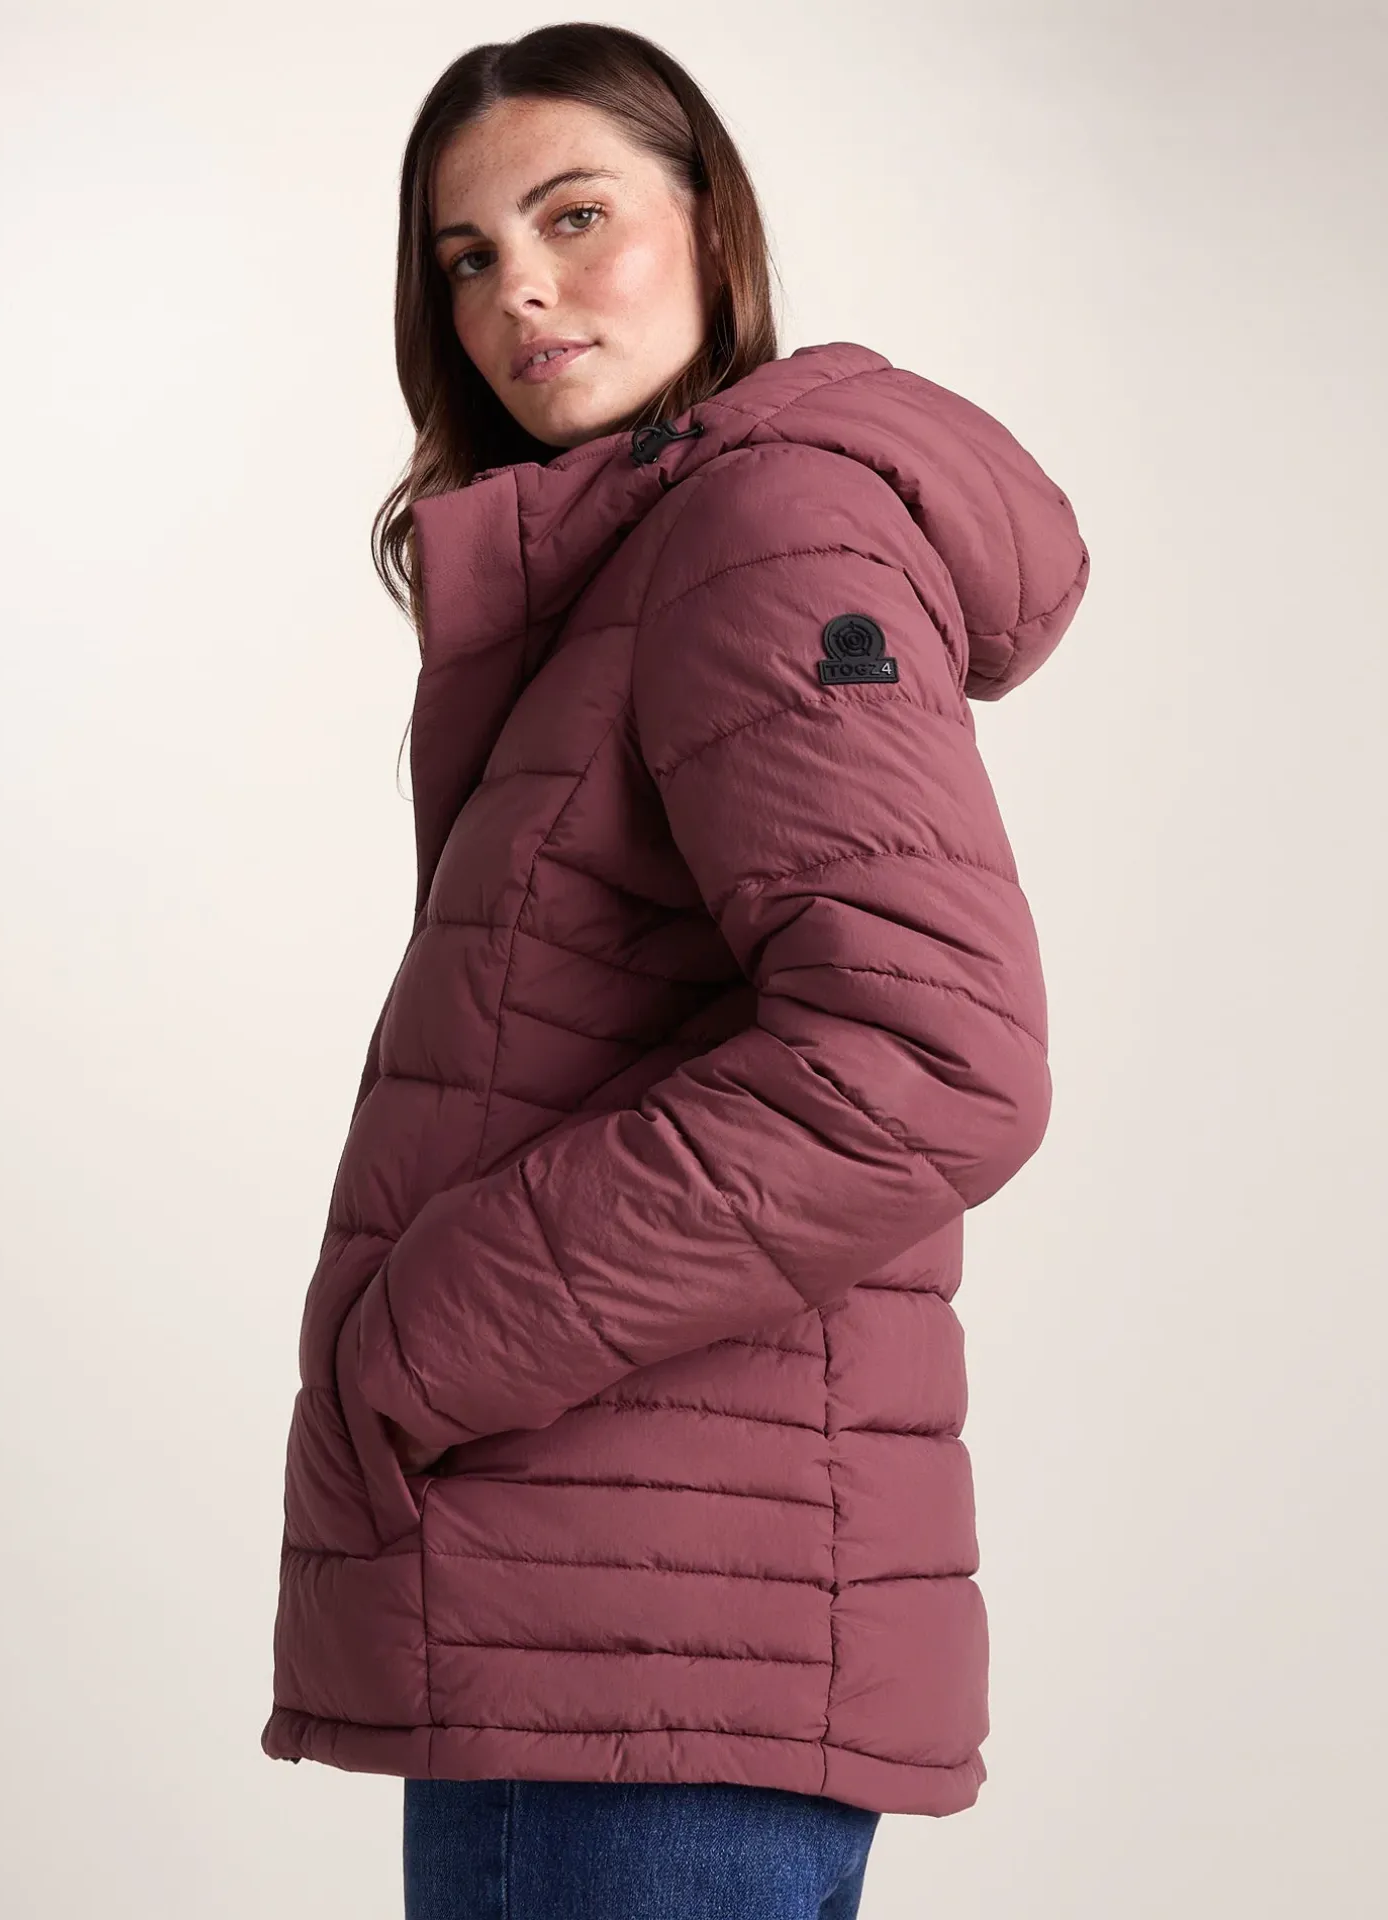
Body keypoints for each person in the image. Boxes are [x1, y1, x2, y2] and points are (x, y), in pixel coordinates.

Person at [260, 23, 1090, 1919]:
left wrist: (424, 1337)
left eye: (575, 217)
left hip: (643, 1630)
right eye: (467, 257)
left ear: (714, 228)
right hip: (619, 1602)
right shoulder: (645, 553)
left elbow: (933, 1058)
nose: (519, 291)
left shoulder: (762, 528)